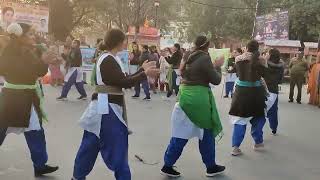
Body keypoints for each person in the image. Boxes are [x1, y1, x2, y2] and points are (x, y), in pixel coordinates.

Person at [71, 29, 158, 180]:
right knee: (116, 147)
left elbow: (122, 79)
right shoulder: (108, 59)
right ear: (118, 41)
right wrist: (144, 74)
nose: (126, 43)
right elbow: (122, 82)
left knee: (90, 145)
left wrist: (141, 71)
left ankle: (78, 176)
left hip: (104, 107)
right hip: (107, 109)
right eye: (124, 40)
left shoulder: (110, 58)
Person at [161, 36, 225, 178]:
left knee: (180, 134)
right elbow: (216, 79)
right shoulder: (204, 57)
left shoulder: (187, 55)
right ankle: (211, 166)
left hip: (184, 97)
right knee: (206, 134)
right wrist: (218, 66)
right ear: (206, 46)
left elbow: (184, 72)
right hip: (199, 100)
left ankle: (167, 165)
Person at [0, 23, 58, 177]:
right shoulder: (10, 52)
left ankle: (40, 164)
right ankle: (40, 164)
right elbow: (22, 71)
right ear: (21, 37)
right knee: (2, 130)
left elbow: (37, 70)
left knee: (35, 130)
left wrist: (46, 60)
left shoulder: (28, 51)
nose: (34, 37)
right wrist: (43, 61)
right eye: (30, 34)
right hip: (13, 99)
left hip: (26, 97)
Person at [229, 40, 267, 156]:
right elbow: (265, 74)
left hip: (241, 92)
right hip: (256, 92)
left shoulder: (238, 59)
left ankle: (235, 147)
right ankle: (258, 142)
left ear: (246, 48)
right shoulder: (261, 60)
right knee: (259, 117)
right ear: (257, 49)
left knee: (240, 120)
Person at [264, 48, 284, 135]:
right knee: (273, 110)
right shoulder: (281, 66)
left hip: (263, 89)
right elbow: (280, 81)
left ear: (270, 55)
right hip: (274, 90)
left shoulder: (264, 64)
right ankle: (274, 128)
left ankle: (258, 135)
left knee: (261, 110)